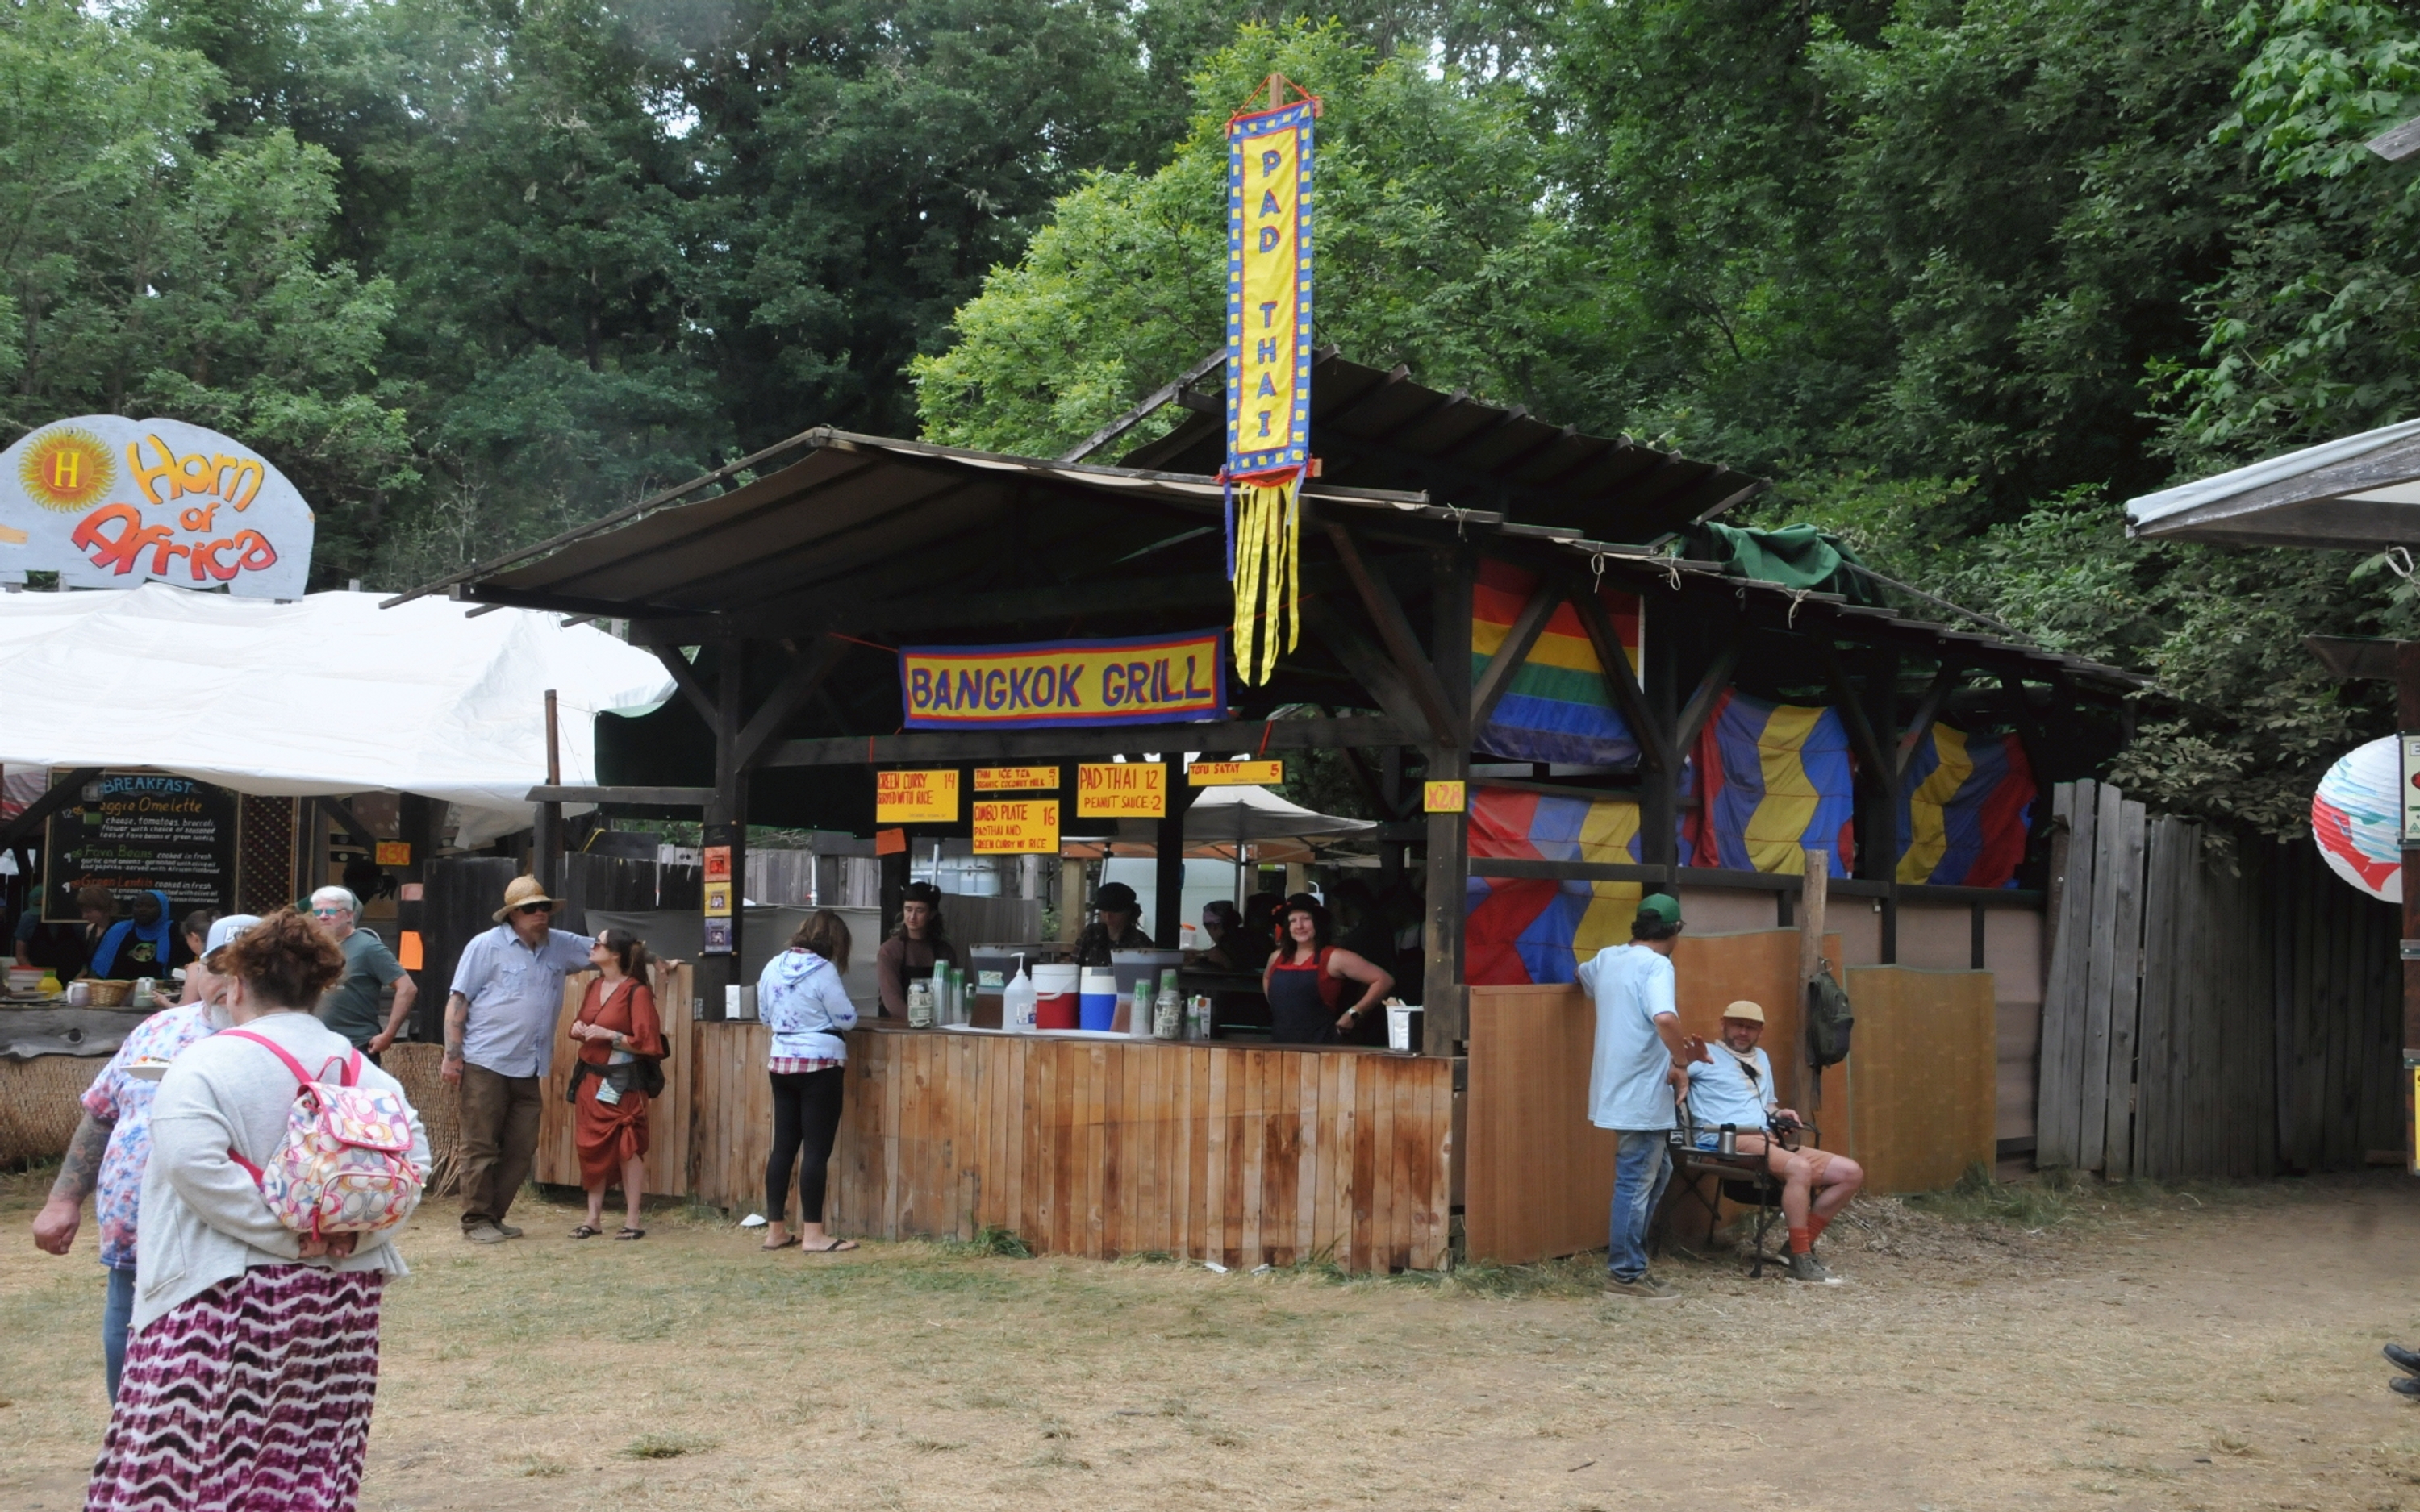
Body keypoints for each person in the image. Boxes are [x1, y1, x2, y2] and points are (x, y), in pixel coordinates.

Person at [84, 906, 428, 1512]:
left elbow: (198, 1171)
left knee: (183, 1472)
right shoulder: (367, 1075)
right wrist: (349, 1237)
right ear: (322, 987)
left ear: (237, 983)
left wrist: (289, 1239)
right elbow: (409, 1170)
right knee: (306, 1463)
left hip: (216, 1297)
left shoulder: (205, 1063)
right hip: (337, 1301)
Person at [30, 914, 257, 1401]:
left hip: (231, 1243)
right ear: (199, 970)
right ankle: (127, 1446)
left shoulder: (287, 1047)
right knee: (125, 1335)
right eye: (219, 968)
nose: (231, 985)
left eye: (251, 970)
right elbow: (102, 1113)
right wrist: (62, 1200)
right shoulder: (157, 1031)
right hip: (136, 1232)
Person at [442, 875, 595, 1243]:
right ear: (513, 914)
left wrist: (654, 958)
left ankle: (494, 1216)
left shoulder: (559, 945)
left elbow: (609, 949)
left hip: (531, 1063)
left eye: (545, 907)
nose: (540, 914)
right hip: (485, 1061)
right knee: (480, 1143)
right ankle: (476, 1219)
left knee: (522, 1146)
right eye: (530, 909)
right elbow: (458, 1001)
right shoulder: (485, 946)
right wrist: (453, 1056)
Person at [1577, 893, 1709, 1302]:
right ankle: (1625, 1275)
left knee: (1658, 1171)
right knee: (1636, 1182)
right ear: (1675, 931)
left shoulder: (1607, 958)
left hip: (1614, 1087)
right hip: (1641, 1094)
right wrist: (1682, 1059)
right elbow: (1665, 1017)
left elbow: (1582, 978)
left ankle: (1632, 1263)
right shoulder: (1657, 965)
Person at [1687, 999, 1864, 1283]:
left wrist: (1780, 1113)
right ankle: (1802, 1257)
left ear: (1760, 1032)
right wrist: (1682, 1062)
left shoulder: (1762, 1058)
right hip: (1725, 1140)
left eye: (1751, 1028)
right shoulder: (1704, 1054)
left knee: (1850, 1173)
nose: (1743, 1033)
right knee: (1799, 1168)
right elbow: (1666, 1075)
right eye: (1737, 1025)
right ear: (1723, 1024)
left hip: (1767, 1138)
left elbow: (1767, 1106)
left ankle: (1792, 1249)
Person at [758, 910, 860, 1254]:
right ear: (835, 942)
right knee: (816, 1151)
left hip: (781, 1061)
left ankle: (775, 1231)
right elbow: (846, 1019)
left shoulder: (773, 965)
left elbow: (763, 1014)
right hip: (820, 1063)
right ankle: (814, 1235)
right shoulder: (824, 970)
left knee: (783, 1147)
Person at [567, 927, 666, 1240]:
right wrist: (579, 1028)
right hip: (590, 1077)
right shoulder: (594, 984)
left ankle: (633, 1219)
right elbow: (578, 1025)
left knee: (627, 1145)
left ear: (616, 954)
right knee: (588, 1145)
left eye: (599, 943)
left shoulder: (637, 992)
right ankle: (593, 1218)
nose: (592, 946)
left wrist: (611, 1036)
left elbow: (649, 1044)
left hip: (622, 1082)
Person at [1261, 893, 1395, 1046]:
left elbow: (1384, 980)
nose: (1299, 926)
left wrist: (1354, 1014)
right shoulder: (1277, 957)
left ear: (1317, 923)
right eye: (1293, 921)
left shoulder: (1334, 957)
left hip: (1323, 1048)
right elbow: (1267, 978)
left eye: (1306, 919)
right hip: (1280, 1046)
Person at [311, 885, 416, 1063]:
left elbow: (407, 988)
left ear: (349, 915)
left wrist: (388, 1034)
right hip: (315, 1046)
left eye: (330, 910)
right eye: (317, 912)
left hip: (356, 1048)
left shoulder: (368, 947)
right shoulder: (312, 947)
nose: (323, 917)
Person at [875, 880, 958, 1018]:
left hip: (939, 1024)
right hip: (897, 1028)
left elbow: (953, 994)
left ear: (931, 914)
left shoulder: (944, 951)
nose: (912, 917)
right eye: (908, 909)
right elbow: (892, 1001)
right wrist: (920, 1019)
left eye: (920, 910)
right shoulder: (890, 950)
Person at [13, 883, 114, 980]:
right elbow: (21, 954)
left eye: (88, 912)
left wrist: (76, 981)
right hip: (39, 977)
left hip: (73, 975)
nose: (84, 916)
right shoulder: (28, 919)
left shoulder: (76, 921)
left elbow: (89, 959)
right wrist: (35, 975)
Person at [90, 888, 189, 981]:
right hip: (119, 992)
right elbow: (98, 968)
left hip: (161, 993)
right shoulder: (119, 930)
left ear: (163, 908)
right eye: (138, 906)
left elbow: (183, 968)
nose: (143, 909)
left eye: (150, 906)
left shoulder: (175, 931)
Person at [1073, 880, 1154, 966]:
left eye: (1115, 911)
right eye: (1104, 911)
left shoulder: (1140, 941)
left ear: (1128, 912)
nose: (1108, 916)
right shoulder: (1090, 933)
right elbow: (1074, 966)